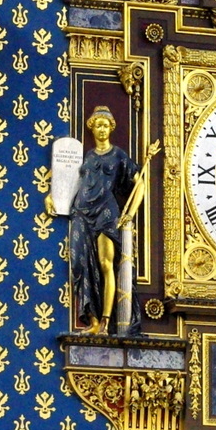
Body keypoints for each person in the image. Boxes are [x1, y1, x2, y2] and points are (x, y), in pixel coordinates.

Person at [68, 106, 143, 335]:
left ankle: (106, 322)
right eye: (98, 125)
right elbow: (72, 184)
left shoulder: (118, 155)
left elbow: (140, 183)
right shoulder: (88, 157)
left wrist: (130, 213)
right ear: (92, 127)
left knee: (105, 263)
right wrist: (55, 197)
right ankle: (91, 320)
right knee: (80, 263)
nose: (102, 129)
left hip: (106, 212)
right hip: (82, 211)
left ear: (111, 128)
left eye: (105, 125)